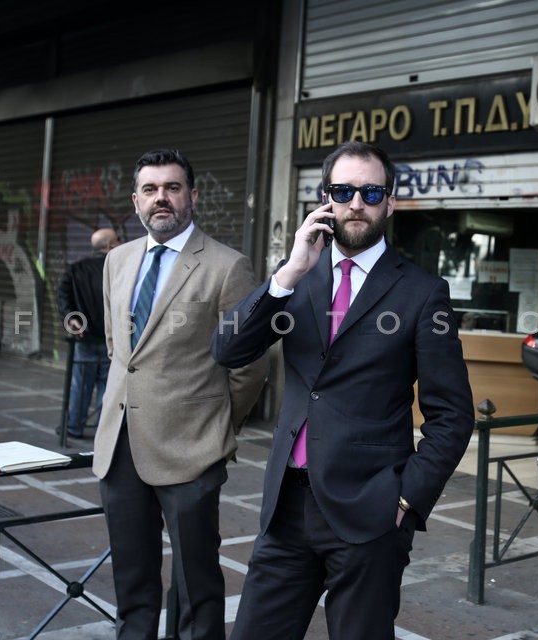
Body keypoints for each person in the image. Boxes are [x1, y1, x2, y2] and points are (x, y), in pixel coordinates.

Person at [211, 141, 475, 639]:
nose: (357, 203)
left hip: (370, 514)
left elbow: (453, 414)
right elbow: (227, 350)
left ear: (390, 203)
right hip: (286, 508)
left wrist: (405, 502)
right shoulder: (299, 279)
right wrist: (287, 273)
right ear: (326, 200)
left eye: (371, 192)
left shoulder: (421, 292)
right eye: (343, 190)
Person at [93, 148, 268, 639]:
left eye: (172, 187)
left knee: (196, 587)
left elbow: (249, 364)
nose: (161, 199)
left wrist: (217, 427)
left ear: (193, 195)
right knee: (133, 583)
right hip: (121, 446)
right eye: (150, 190)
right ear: (136, 201)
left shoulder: (227, 266)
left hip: (192, 448)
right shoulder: (118, 260)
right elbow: (118, 348)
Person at [56, 227, 120, 438]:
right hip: (114, 341)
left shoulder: (75, 269)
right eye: (118, 240)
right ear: (110, 245)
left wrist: (70, 318)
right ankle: (105, 431)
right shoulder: (120, 268)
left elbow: (62, 296)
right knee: (108, 388)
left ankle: (74, 427)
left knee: (80, 386)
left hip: (84, 339)